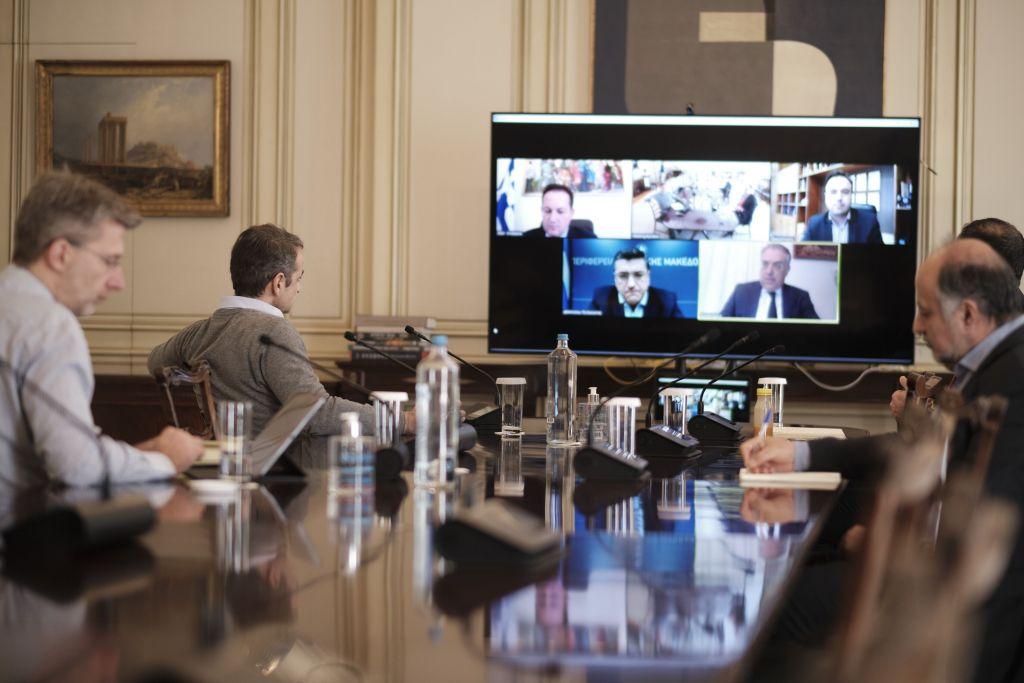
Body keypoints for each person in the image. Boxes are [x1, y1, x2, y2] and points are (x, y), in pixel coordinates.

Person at [742, 238, 1024, 682]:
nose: (916, 326)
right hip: (939, 582)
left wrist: (886, 546)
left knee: (774, 603)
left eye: (926, 312)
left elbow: (988, 525)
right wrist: (801, 454)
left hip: (958, 619)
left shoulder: (1014, 380)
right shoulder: (997, 364)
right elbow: (923, 453)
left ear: (968, 314)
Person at [0, 171, 201, 488]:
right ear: (61, 254)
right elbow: (77, 466)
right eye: (110, 261)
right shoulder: (50, 327)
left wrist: (137, 457)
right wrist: (166, 459)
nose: (118, 282)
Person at [148, 223, 384, 440]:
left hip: (226, 458)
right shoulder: (275, 333)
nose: (299, 288)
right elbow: (317, 413)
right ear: (278, 282)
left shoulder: (198, 332)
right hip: (281, 466)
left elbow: (154, 363)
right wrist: (395, 419)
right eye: (298, 278)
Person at [889, 217, 1024, 421]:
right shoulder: (993, 340)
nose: (917, 327)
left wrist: (920, 414)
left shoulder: (1012, 367)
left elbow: (973, 434)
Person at [719, 243, 818, 319]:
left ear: (787, 270)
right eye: (765, 264)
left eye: (778, 265)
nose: (769, 271)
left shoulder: (801, 297)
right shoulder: (741, 291)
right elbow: (722, 325)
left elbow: (816, 331)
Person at [589, 248, 684, 318]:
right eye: (623, 276)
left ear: (648, 276)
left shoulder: (667, 300)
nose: (631, 285)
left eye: (638, 275)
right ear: (615, 278)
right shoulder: (601, 298)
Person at [801, 172, 883, 244]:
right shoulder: (814, 224)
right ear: (825, 196)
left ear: (851, 195)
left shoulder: (870, 222)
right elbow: (802, 253)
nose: (839, 198)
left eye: (845, 192)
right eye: (833, 192)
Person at [521, 184, 596, 238]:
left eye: (560, 212)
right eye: (547, 211)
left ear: (571, 213)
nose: (552, 219)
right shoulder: (526, 238)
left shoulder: (589, 240)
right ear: (542, 211)